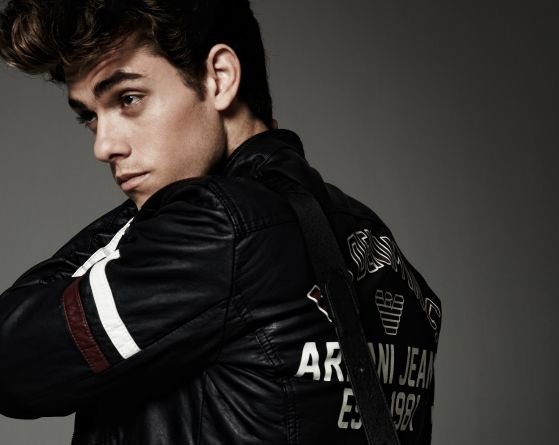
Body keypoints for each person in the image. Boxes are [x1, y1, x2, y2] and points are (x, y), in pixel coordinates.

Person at [0, 1, 442, 444]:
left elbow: (11, 361)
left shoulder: (214, 227)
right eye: (90, 117)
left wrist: (164, 205)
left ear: (220, 77)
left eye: (129, 99)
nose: (104, 146)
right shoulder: (371, 239)